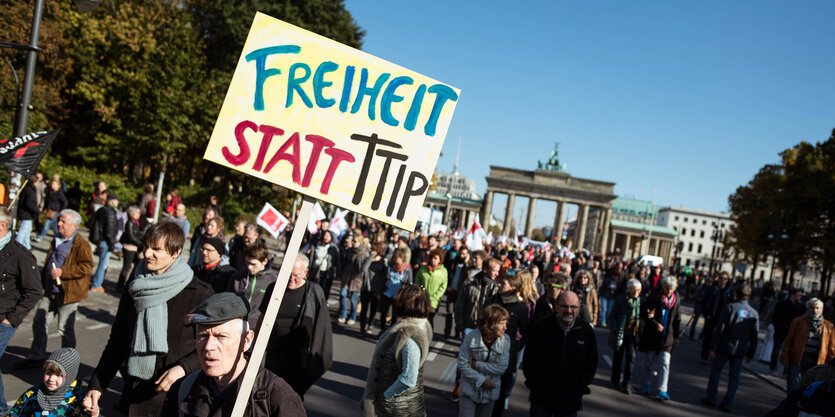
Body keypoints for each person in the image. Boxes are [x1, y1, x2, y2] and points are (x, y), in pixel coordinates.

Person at [84, 221, 214, 417]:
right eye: (146, 247)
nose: (146, 254)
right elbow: (118, 341)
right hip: (133, 392)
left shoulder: (200, 294)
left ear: (176, 252)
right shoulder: (136, 285)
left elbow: (212, 346)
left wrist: (181, 368)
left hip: (176, 396)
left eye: (156, 249)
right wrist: (97, 386)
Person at [162, 292, 305, 417]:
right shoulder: (184, 389)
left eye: (221, 337)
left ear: (246, 340)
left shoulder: (277, 397)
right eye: (203, 336)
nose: (208, 346)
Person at [18, 210, 92, 368]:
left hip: (68, 293)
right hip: (49, 290)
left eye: (63, 222)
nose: (59, 224)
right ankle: (36, 355)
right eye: (59, 220)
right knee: (39, 321)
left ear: (74, 225)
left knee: (65, 328)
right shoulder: (56, 239)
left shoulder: (81, 244)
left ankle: (68, 361)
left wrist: (63, 272)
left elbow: (86, 267)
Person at [259, 254, 333, 399]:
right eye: (288, 274)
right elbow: (262, 318)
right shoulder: (273, 289)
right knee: (268, 396)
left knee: (290, 400)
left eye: (296, 275)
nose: (291, 279)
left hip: (298, 359)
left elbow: (322, 329)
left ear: (305, 273)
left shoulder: (314, 292)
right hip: (274, 354)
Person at [361, 284, 433, 417]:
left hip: (398, 409)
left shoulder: (410, 335)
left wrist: (386, 396)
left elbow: (409, 378)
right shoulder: (415, 326)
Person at [523, 291, 598, 417]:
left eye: (573, 307)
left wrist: (579, 387)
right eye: (564, 306)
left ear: (579, 308)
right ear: (556, 306)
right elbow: (529, 359)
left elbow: (591, 363)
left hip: (570, 400)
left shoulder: (586, 332)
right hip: (541, 398)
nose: (568, 310)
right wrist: (534, 385)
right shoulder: (541, 326)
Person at [0, 206, 44, 415]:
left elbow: (34, 291)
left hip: (4, 319)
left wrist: (11, 320)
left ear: (1, 226)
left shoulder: (21, 255)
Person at [702, 283, 759, 412]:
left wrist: (713, 346)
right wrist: (751, 353)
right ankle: (728, 401)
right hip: (740, 348)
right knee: (734, 376)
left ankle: (711, 397)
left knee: (716, 371)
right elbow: (754, 335)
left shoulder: (729, 308)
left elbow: (720, 329)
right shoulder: (753, 313)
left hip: (724, 346)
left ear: (736, 294)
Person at [458, 305, 510, 417]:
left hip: (490, 393)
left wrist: (476, 364)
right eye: (502, 323)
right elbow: (463, 365)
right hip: (469, 390)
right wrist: (481, 380)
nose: (505, 327)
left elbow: (501, 368)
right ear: (490, 323)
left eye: (506, 323)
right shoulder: (470, 337)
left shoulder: (505, 340)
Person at [9, 348, 90, 417]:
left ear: (69, 377)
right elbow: (15, 414)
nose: (51, 378)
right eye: (48, 373)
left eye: (58, 375)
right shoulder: (32, 394)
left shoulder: (77, 400)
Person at [638, 276, 681, 401]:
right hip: (652, 335)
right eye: (667, 289)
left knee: (665, 362)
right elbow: (644, 313)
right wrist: (654, 323)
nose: (669, 291)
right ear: (663, 287)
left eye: (671, 289)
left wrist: (676, 336)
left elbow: (677, 319)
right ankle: (646, 383)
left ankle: (662, 389)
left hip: (668, 336)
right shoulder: (653, 297)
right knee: (649, 361)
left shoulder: (676, 299)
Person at [492, 273, 530, 416]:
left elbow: (526, 332)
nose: (499, 286)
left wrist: (515, 346)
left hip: (507, 355)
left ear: (513, 288)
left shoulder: (521, 308)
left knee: (501, 391)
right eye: (500, 283)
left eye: (504, 284)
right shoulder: (492, 300)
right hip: (487, 351)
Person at [781, 297, 835, 393]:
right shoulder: (798, 322)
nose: (815, 310)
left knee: (812, 387)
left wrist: (830, 364)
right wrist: (785, 356)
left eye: (817, 308)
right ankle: (792, 405)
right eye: (812, 308)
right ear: (808, 309)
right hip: (799, 359)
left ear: (822, 310)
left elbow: (831, 348)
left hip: (817, 361)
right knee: (794, 386)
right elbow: (789, 340)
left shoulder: (829, 326)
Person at [226, 242, 276, 330]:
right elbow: (227, 299)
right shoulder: (238, 277)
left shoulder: (272, 280)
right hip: (236, 325)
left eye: (253, 264)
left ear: (264, 261)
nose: (249, 267)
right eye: (247, 263)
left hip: (257, 327)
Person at [608, 278, 643, 395]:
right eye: (634, 290)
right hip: (621, 333)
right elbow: (612, 316)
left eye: (638, 290)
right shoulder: (620, 299)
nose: (636, 293)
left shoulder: (640, 302)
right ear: (629, 290)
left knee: (631, 358)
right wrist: (615, 328)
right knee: (618, 357)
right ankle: (615, 379)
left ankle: (627, 383)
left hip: (633, 335)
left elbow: (644, 317)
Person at [701, 272, 734, 364]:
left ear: (727, 280)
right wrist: (706, 314)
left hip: (723, 318)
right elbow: (704, 302)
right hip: (711, 317)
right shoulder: (712, 289)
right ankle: (704, 356)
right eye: (721, 278)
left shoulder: (729, 292)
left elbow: (731, 305)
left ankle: (715, 356)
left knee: (720, 338)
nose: (722, 280)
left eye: (725, 279)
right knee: (708, 337)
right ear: (718, 279)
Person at [379, 248, 413, 334]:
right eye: (394, 257)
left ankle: (391, 332)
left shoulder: (407, 269)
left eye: (397, 258)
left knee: (395, 316)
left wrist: (406, 296)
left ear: (402, 258)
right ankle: (382, 330)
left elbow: (409, 283)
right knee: (383, 312)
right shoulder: (390, 266)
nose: (395, 260)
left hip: (398, 296)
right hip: (387, 293)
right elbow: (383, 279)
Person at [90, 194, 119, 293]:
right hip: (105, 241)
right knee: (103, 264)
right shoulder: (110, 212)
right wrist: (112, 244)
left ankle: (98, 282)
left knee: (102, 263)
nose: (117, 203)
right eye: (116, 201)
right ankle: (97, 284)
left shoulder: (102, 209)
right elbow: (109, 231)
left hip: (100, 239)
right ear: (112, 201)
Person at [771, 288, 805, 371]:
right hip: (781, 330)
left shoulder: (800, 306)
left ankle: (786, 369)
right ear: (793, 295)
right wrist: (778, 328)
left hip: (792, 332)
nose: (800, 297)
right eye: (799, 295)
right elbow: (775, 317)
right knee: (776, 350)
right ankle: (773, 367)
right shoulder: (782, 304)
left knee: (790, 351)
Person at [339, 235, 369, 325]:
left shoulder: (363, 253)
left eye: (355, 241)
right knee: (342, 294)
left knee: (353, 299)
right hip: (347, 275)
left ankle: (352, 317)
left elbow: (363, 268)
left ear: (359, 242)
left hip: (356, 278)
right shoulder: (349, 250)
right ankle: (343, 315)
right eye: (352, 241)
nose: (352, 243)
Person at [359, 242, 387, 336]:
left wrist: (380, 290)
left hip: (376, 289)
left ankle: (369, 324)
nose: (372, 251)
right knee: (364, 309)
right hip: (366, 287)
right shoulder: (368, 259)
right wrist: (371, 257)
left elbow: (384, 277)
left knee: (373, 309)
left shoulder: (383, 262)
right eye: (371, 249)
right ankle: (362, 328)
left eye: (374, 250)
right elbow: (363, 269)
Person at [414, 248, 448, 324]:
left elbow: (443, 287)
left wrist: (434, 297)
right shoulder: (423, 269)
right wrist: (421, 293)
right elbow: (417, 282)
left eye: (435, 258)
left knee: (429, 321)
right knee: (419, 320)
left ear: (440, 260)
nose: (433, 260)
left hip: (434, 302)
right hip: (422, 299)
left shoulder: (443, 271)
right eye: (432, 258)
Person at [306, 229, 340, 301]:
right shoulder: (316, 245)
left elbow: (337, 261)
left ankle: (322, 304)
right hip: (316, 270)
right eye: (325, 235)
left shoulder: (333, 247)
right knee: (314, 288)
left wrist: (338, 272)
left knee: (325, 289)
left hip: (327, 272)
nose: (326, 237)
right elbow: (311, 257)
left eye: (328, 236)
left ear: (331, 237)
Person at [118, 205, 145, 291]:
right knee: (126, 268)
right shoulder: (130, 222)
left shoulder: (136, 222)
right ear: (133, 213)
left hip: (134, 248)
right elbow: (131, 236)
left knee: (133, 268)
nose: (139, 214)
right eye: (138, 212)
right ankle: (120, 286)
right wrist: (140, 244)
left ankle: (126, 284)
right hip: (129, 248)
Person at [15, 175, 39, 249]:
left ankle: (26, 246)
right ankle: (17, 246)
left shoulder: (28, 189)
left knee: (27, 230)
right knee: (23, 231)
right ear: (34, 182)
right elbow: (29, 203)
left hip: (26, 213)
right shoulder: (30, 190)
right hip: (26, 213)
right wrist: (36, 211)